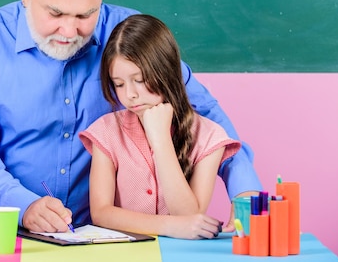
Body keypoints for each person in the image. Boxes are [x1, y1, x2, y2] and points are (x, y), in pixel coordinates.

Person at [0, 0, 262, 233]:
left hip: (95, 238)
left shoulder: (128, 36)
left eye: (85, 14)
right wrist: (25, 206)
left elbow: (202, 111)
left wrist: (244, 189)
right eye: (55, 13)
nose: (69, 30)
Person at [79, 14, 240, 239]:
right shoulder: (106, 131)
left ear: (165, 71)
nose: (130, 94)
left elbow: (188, 214)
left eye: (140, 79)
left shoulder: (209, 136)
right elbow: (101, 214)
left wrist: (160, 139)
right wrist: (168, 226)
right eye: (119, 84)